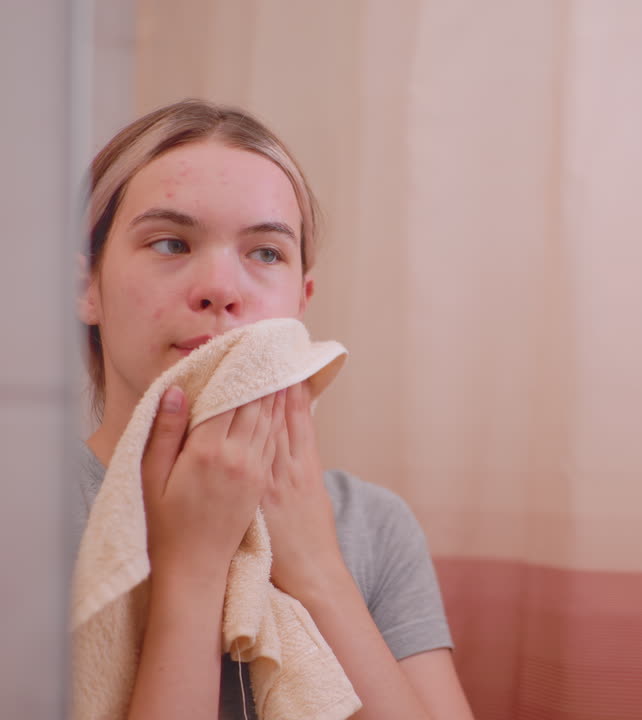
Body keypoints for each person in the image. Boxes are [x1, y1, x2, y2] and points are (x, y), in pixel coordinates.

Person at [73, 99, 474, 720]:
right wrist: (193, 570)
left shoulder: (373, 525)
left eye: (265, 253)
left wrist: (317, 569)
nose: (221, 289)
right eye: (171, 243)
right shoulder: (24, 518)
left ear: (300, 300)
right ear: (86, 288)